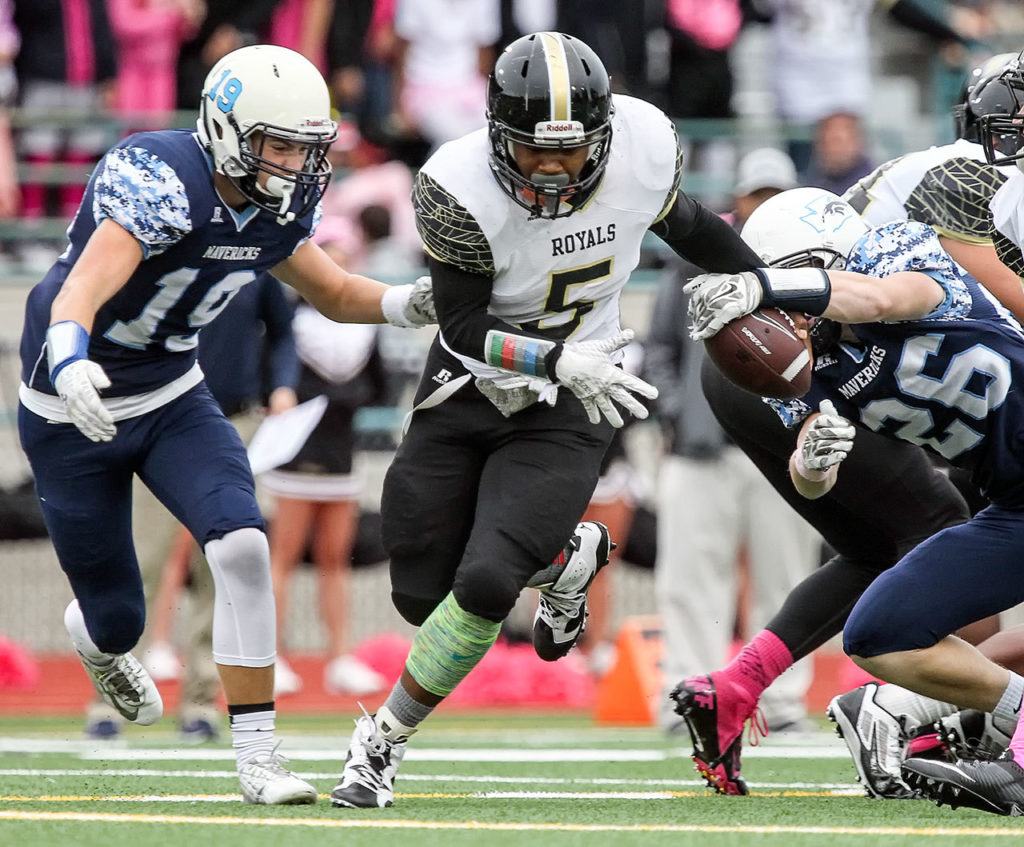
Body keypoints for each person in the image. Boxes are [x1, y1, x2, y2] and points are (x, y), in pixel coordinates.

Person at [328, 30, 768, 810]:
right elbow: (462, 328)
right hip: (471, 381)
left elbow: (691, 226)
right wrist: (551, 357)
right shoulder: (456, 184)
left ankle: (381, 742)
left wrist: (772, 285)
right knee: (420, 591)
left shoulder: (643, 145)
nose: (556, 168)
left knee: (488, 581)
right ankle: (565, 557)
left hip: (581, 391)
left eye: (571, 151)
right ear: (498, 137)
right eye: (535, 152)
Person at [16, 44, 434, 806]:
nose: (298, 165)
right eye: (281, 144)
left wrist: (408, 301)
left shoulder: (278, 203)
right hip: (72, 400)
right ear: (225, 128)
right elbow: (81, 286)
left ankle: (257, 755)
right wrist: (69, 356)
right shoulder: (161, 175)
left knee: (241, 542)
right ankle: (100, 641)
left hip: (173, 390)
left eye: (308, 148)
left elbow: (333, 291)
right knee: (117, 616)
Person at [686, 188, 1024, 818]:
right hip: (1014, 502)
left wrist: (773, 288)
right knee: (877, 632)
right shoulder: (818, 365)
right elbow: (811, 479)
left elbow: (884, 299)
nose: (787, 318)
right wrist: (812, 463)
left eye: (794, 288)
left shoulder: (895, 252)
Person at [647, 148, 818, 733]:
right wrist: (677, 414)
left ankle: (784, 704)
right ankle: (687, 698)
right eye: (757, 195)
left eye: (776, 195)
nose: (764, 204)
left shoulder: (813, 269)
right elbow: (659, 353)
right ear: (740, 201)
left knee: (789, 579)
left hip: (781, 448)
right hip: (702, 450)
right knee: (690, 581)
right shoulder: (693, 265)